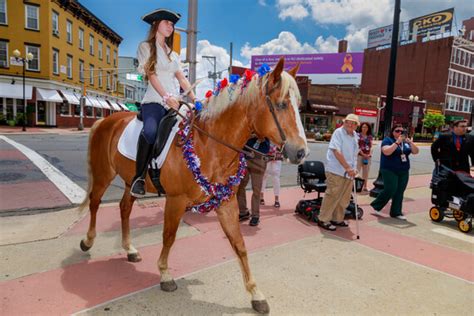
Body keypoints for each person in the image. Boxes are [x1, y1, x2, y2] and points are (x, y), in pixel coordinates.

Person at [131, 9, 196, 197]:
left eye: (172, 24)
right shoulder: (146, 47)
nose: (171, 26)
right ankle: (139, 177)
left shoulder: (173, 54)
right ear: (156, 25)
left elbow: (182, 79)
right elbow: (151, 75)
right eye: (167, 22)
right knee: (150, 131)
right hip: (154, 102)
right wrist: (167, 96)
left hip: (174, 103)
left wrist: (195, 98)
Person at [318, 114, 360, 231]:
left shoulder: (355, 135)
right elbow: (336, 151)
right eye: (348, 122)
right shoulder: (338, 132)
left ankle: (337, 218)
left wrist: (354, 168)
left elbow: (354, 155)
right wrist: (347, 167)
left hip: (349, 173)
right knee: (332, 195)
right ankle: (324, 219)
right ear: (344, 122)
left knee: (344, 198)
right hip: (336, 170)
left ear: (357, 126)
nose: (350, 124)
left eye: (353, 123)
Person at [371, 124, 419, 220]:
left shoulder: (405, 142)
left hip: (403, 170)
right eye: (397, 131)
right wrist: (397, 142)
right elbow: (386, 151)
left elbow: (416, 151)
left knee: (400, 191)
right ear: (393, 132)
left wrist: (410, 143)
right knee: (391, 188)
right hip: (389, 169)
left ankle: (396, 212)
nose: (400, 133)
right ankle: (377, 205)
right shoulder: (388, 140)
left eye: (402, 131)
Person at [238, 137, 270, 226]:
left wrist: (259, 138)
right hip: (245, 158)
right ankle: (243, 212)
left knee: (256, 189)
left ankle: (255, 216)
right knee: (240, 186)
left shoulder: (263, 126)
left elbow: (267, 147)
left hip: (259, 160)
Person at [260, 143, 284, 208]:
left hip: (277, 157)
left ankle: (277, 200)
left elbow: (283, 144)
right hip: (266, 157)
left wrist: (277, 153)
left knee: (276, 179)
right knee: (264, 177)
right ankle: (261, 197)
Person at [356, 122, 373, 193]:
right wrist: (362, 154)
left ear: (368, 128)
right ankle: (356, 186)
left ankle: (365, 186)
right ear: (361, 128)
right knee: (357, 171)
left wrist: (369, 154)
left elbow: (371, 146)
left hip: (367, 157)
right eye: (363, 127)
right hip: (360, 156)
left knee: (366, 172)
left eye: (366, 127)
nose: (364, 128)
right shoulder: (357, 135)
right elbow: (357, 146)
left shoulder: (370, 136)